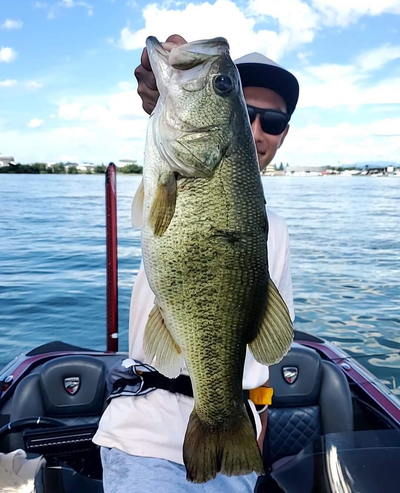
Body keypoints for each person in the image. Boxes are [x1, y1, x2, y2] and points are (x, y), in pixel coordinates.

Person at [93, 34, 299, 493]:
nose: (259, 129)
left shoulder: (276, 229)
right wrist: (160, 94)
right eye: (243, 111)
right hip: (145, 430)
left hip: (234, 437)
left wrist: (255, 420)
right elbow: (171, 115)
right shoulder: (175, 161)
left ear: (284, 134)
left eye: (275, 120)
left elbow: (262, 348)